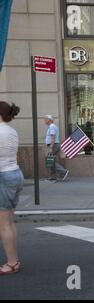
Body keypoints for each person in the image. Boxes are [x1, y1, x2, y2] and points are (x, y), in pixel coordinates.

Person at [0, 102, 24, 275]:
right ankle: (13, 259)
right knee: (9, 222)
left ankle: (12, 263)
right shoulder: (11, 131)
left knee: (4, 225)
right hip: (15, 174)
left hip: (4, 177)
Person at [44, 115, 69, 181]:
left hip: (53, 145)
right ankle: (53, 176)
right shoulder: (52, 126)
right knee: (51, 160)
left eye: (45, 119)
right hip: (55, 145)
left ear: (49, 120)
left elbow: (53, 137)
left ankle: (63, 171)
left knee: (50, 160)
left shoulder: (52, 127)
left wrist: (51, 147)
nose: (44, 120)